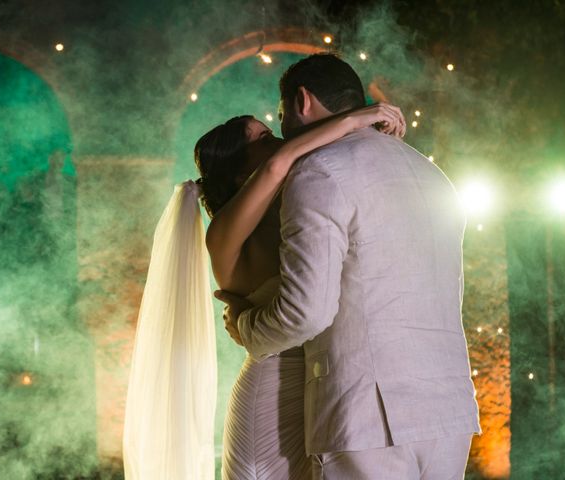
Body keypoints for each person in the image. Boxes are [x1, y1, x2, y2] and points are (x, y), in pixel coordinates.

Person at [218, 53, 481, 480]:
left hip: (368, 414)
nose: (283, 133)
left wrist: (246, 327)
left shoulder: (319, 170)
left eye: (282, 116)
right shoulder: (433, 175)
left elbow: (307, 312)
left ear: (302, 102)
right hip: (449, 410)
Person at [122, 88, 405, 478]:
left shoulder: (299, 208)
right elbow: (279, 164)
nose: (277, 140)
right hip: (269, 394)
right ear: (241, 172)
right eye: (262, 138)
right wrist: (356, 119)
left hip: (324, 389)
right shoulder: (222, 233)